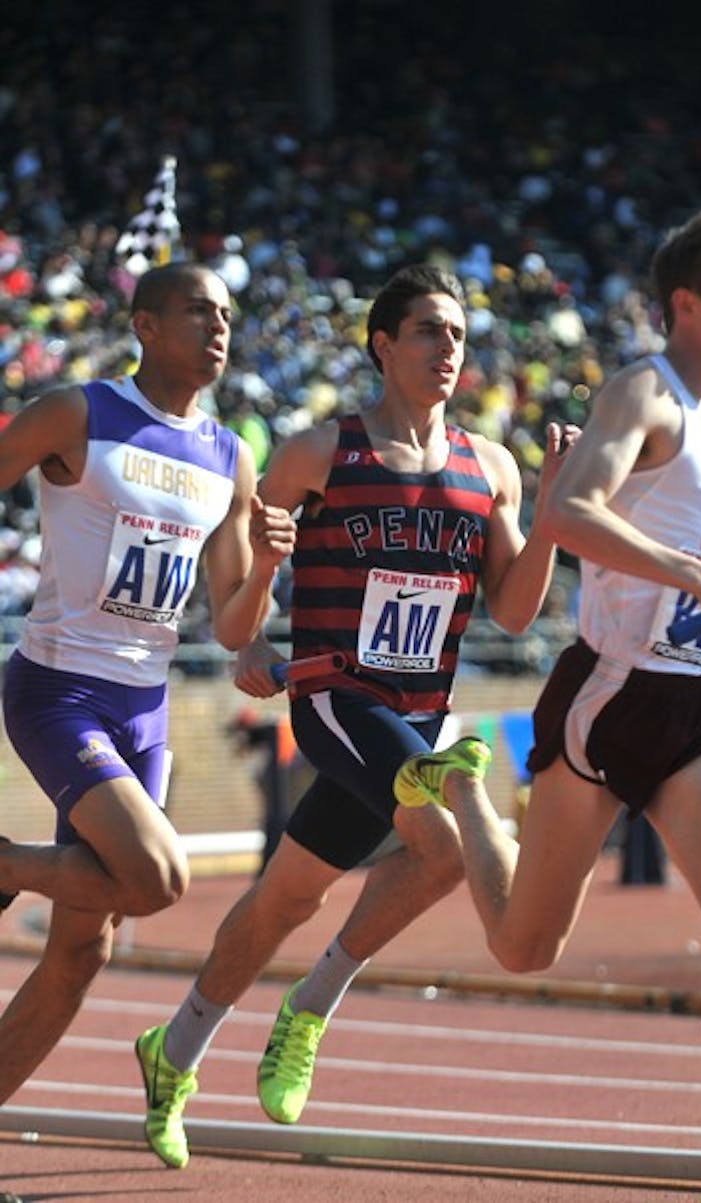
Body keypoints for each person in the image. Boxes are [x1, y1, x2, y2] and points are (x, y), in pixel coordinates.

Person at [133, 263, 577, 1169]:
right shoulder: (316, 451)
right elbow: (236, 593)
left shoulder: (489, 467)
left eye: (457, 334)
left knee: (285, 901)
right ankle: (317, 1004)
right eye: (428, 331)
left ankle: (172, 1051)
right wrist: (251, 628)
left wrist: (559, 509)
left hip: (418, 713)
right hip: (337, 696)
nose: (448, 348)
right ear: (383, 344)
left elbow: (519, 610)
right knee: (445, 837)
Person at [394, 209, 701, 1203]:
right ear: (685, 304)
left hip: (683, 699)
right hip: (605, 696)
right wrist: (697, 583)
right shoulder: (640, 392)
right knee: (524, 949)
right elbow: (571, 513)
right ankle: (468, 802)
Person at [0, 263, 282, 1112]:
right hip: (60, 691)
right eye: (198, 311)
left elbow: (234, 625)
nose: (219, 327)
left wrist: (266, 567)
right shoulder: (77, 413)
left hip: (145, 707)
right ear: (146, 325)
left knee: (83, 954)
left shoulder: (230, 457)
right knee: (157, 878)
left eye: (228, 313)